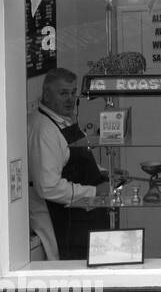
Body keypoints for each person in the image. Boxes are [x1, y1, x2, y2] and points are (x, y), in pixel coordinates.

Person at [28, 68, 111, 262]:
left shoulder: (63, 121)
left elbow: (74, 159)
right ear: (46, 95)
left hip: (82, 215)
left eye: (73, 92)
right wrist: (95, 191)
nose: (70, 99)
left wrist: (105, 173)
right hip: (63, 220)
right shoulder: (44, 130)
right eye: (63, 93)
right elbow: (48, 187)